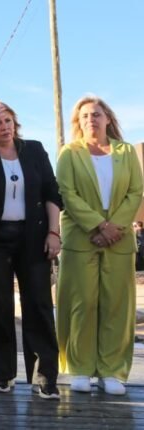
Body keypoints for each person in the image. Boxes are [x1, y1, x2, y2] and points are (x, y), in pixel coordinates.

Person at [0, 101, 63, 399]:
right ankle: (1, 374)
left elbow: (51, 191)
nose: (4, 126)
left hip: (33, 236)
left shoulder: (33, 149)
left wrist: (54, 232)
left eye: (8, 120)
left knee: (39, 304)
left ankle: (45, 376)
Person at [56, 95, 143, 395]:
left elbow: (135, 192)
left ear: (107, 118)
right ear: (78, 122)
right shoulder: (69, 153)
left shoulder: (126, 151)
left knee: (116, 305)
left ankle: (112, 370)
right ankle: (80, 368)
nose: (90, 119)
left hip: (119, 238)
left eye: (96, 114)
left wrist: (113, 227)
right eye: (84, 116)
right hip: (81, 236)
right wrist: (98, 225)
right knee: (82, 303)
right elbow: (67, 193)